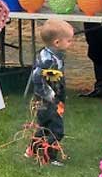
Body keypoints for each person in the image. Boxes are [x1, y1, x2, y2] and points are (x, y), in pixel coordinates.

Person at [26, 18, 73, 167]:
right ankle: (49, 156)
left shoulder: (54, 55)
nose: (71, 43)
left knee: (44, 125)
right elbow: (37, 78)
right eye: (69, 40)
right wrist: (51, 97)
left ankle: (32, 150)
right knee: (56, 130)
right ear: (57, 42)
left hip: (51, 98)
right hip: (47, 100)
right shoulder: (47, 60)